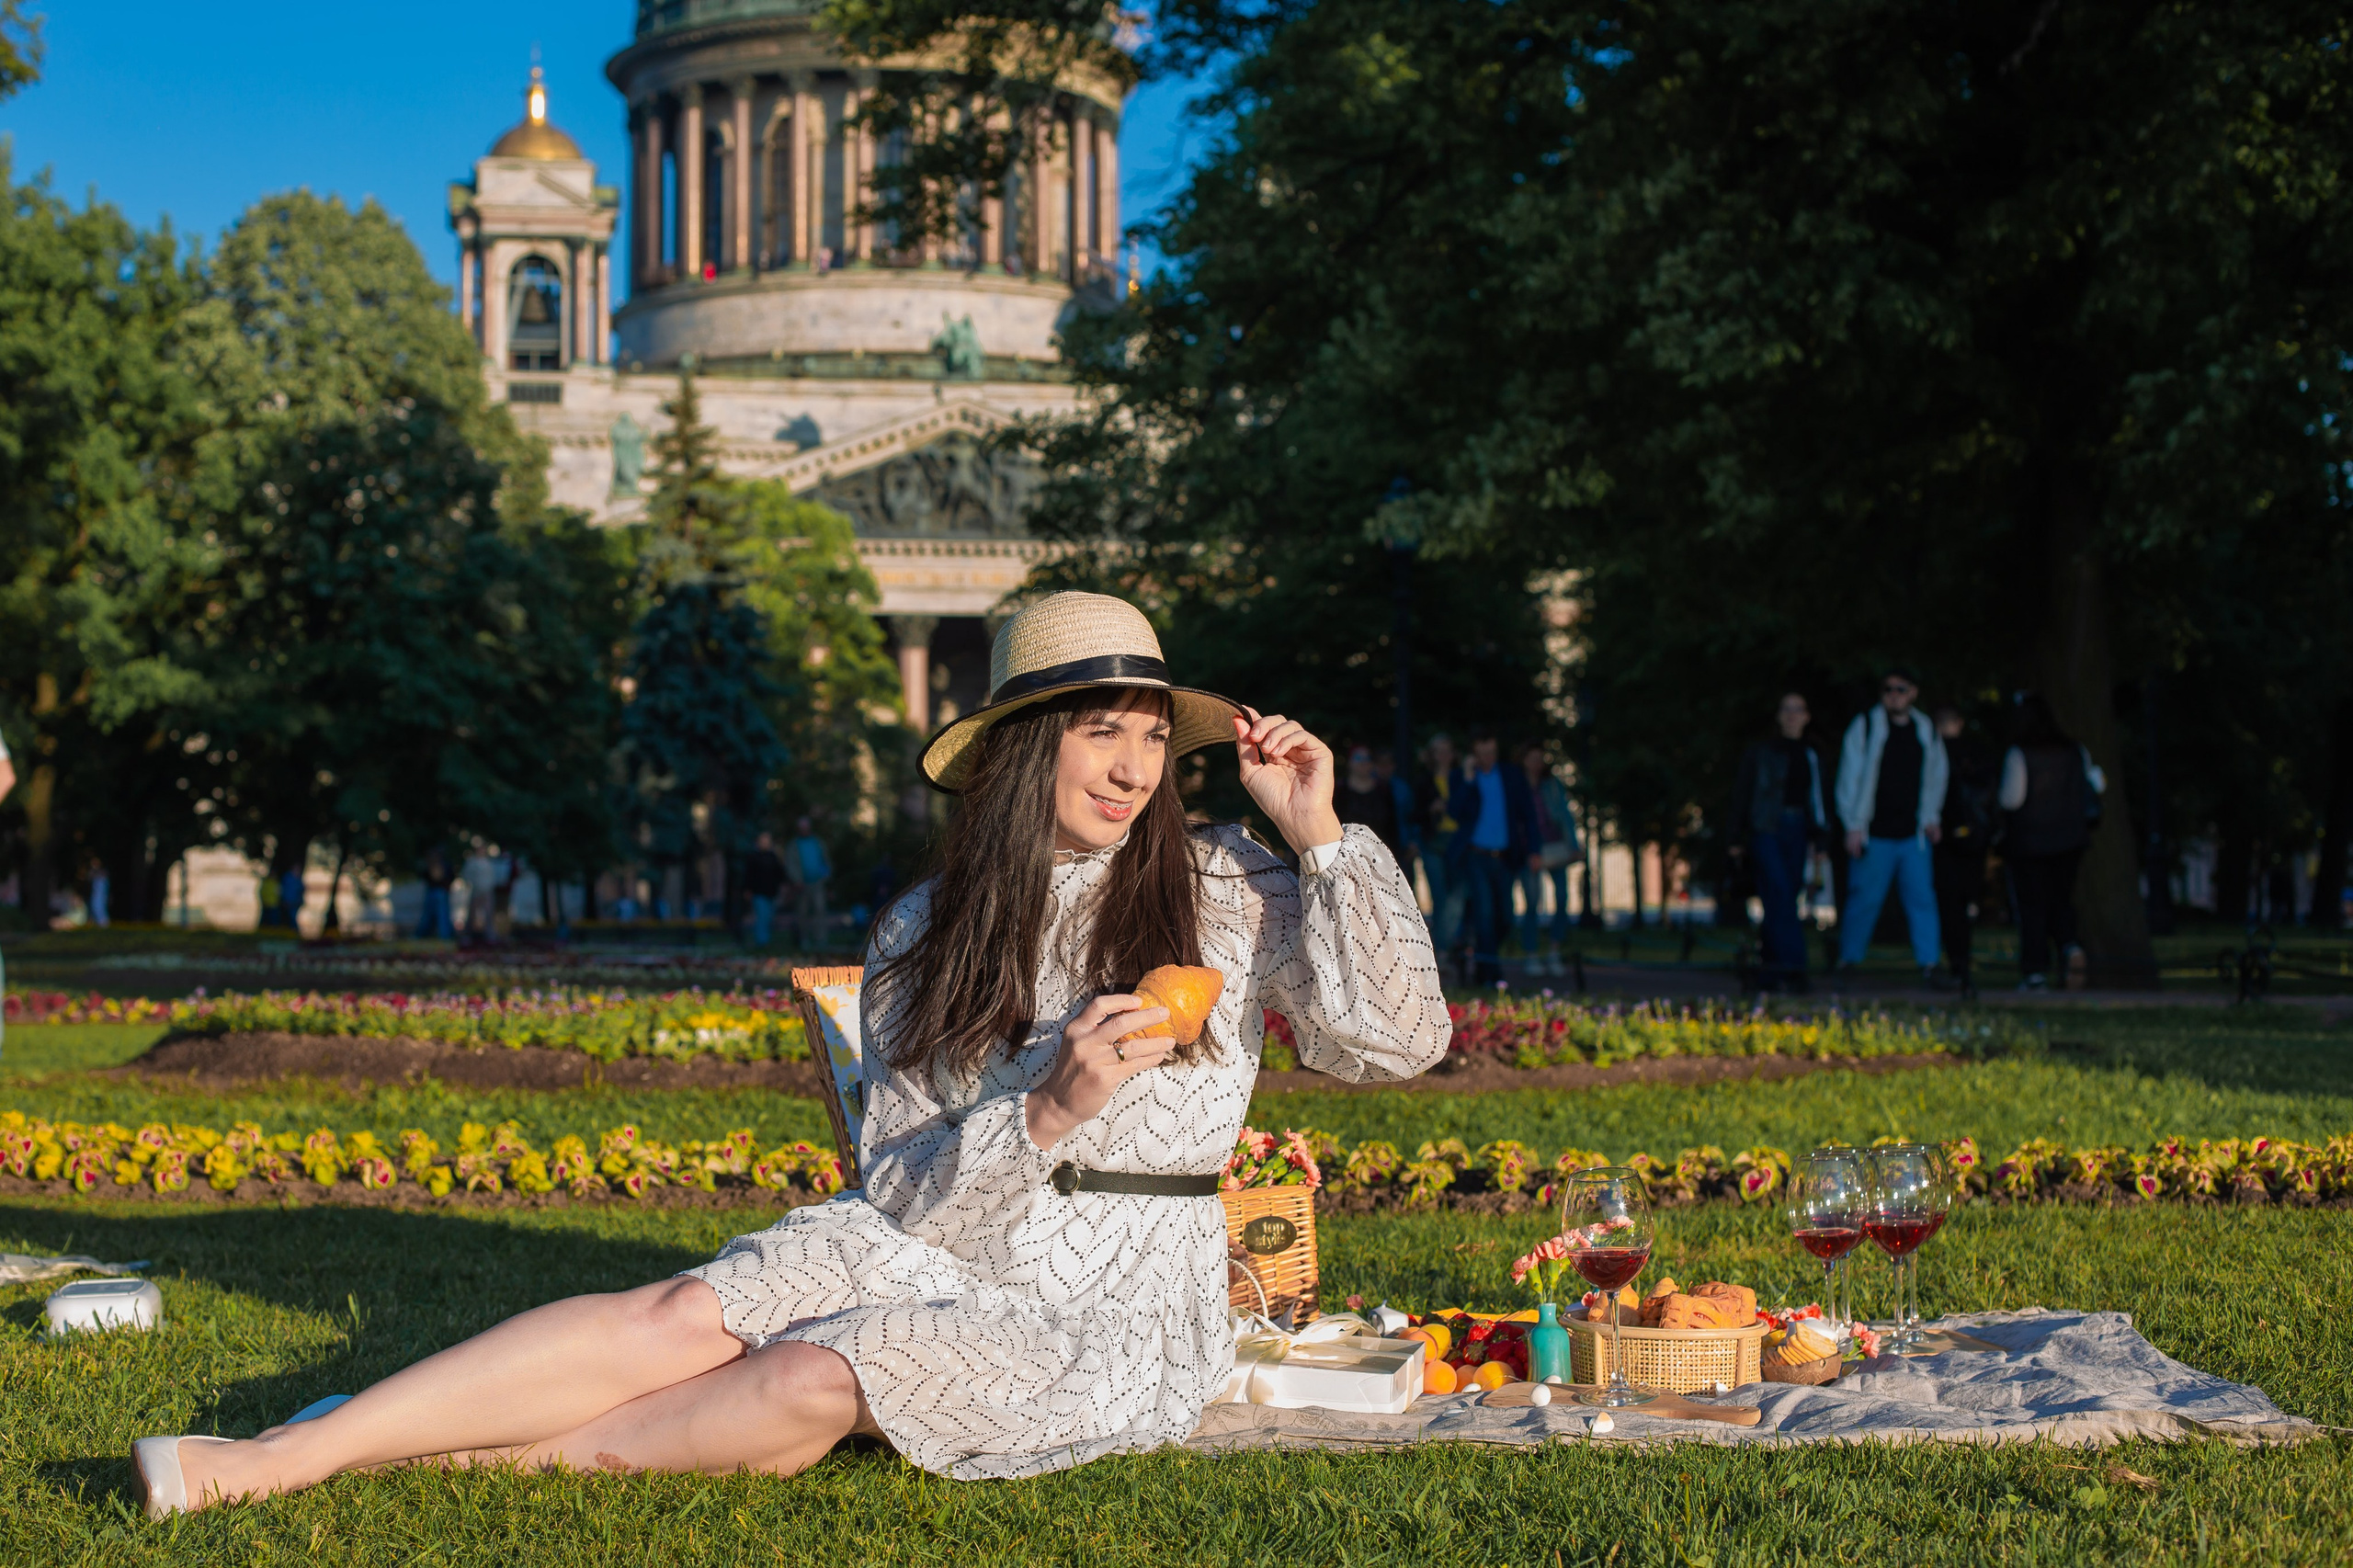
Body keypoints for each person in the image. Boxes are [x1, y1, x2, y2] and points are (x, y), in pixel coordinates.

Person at [131, 590, 1449, 1513]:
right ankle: (286, 1456)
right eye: (1100, 729)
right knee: (681, 1311)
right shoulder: (927, 926)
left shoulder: (1230, 888)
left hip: (1120, 1300)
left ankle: (456, 1460)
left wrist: (1320, 834)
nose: (1132, 766)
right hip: (937, 1234)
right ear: (1021, 747)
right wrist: (1044, 1112)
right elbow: (901, 1182)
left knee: (815, 1375)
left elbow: (1400, 1038)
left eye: (1155, 734)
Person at [1833, 667, 1949, 982]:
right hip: (1874, 834)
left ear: (1912, 693)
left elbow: (1937, 777)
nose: (1893, 695)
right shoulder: (1866, 726)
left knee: (1922, 898)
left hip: (1913, 836)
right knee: (1864, 899)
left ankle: (1929, 964)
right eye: (1888, 689)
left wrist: (1931, 818)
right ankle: (1848, 961)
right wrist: (1853, 825)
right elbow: (1849, 777)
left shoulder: (1926, 730)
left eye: (1900, 689)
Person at [2002, 692, 2107, 990]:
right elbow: (2095, 784)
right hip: (2070, 840)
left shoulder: (2020, 753)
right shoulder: (2075, 751)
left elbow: (2011, 799)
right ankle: (2070, 946)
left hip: (2030, 842)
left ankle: (2035, 971)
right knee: (2061, 901)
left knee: (2032, 907)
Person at [1729, 693, 1827, 992]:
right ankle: (1794, 968)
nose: (1792, 715)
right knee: (1781, 893)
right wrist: (1734, 837)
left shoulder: (1812, 754)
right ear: (1779, 715)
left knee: (1780, 898)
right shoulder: (1761, 753)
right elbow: (1742, 793)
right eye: (1787, 709)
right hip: (1767, 829)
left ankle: (1769, 972)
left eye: (1798, 709)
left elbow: (1819, 801)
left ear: (1807, 715)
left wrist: (1821, 838)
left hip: (1796, 829)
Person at [1458, 731, 1539, 986]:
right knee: (1484, 914)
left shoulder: (1511, 775)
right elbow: (1455, 811)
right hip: (1476, 857)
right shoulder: (1466, 779)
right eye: (1481, 754)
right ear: (1474, 755)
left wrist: (1534, 850)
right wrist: (1468, 779)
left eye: (1491, 753)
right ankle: (1492, 973)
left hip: (1504, 857)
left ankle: (1484, 965)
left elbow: (1529, 815)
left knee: (1506, 915)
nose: (1487, 759)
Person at [1932, 704, 2000, 997]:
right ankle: (1962, 964)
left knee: (1947, 905)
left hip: (1943, 838)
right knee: (1963, 904)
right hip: (1973, 839)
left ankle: (1954, 963)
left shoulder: (1934, 753)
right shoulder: (1979, 754)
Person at [1518, 744, 1581, 975]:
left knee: (1562, 899)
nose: (1536, 764)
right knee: (1532, 903)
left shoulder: (1552, 785)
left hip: (1555, 848)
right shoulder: (1519, 786)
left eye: (1539, 759)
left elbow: (1565, 815)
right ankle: (1531, 953)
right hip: (1530, 850)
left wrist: (1573, 845)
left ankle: (1554, 951)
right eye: (1531, 758)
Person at [1416, 733, 1469, 970]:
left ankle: (1444, 949)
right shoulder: (1424, 780)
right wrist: (1431, 809)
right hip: (1433, 842)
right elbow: (1415, 813)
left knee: (1457, 898)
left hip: (1458, 843)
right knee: (1439, 897)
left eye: (1447, 750)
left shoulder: (1462, 778)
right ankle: (1441, 952)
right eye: (1438, 750)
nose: (1443, 755)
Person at [1335, 744, 1403, 859]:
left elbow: (1392, 827)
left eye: (1367, 759)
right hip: (1345, 855)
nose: (1363, 763)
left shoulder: (1383, 790)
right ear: (1350, 762)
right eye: (1358, 758)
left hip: (1379, 855)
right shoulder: (1339, 790)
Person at [787, 817, 832, 951]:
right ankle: (804, 940)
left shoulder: (818, 843)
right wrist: (796, 880)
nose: (804, 829)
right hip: (801, 885)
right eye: (801, 827)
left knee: (820, 910)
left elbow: (825, 860)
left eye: (806, 827)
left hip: (818, 883)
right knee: (802, 913)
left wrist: (826, 876)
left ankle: (820, 939)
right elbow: (790, 864)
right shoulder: (793, 845)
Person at [743, 833, 788, 949]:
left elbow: (779, 874)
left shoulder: (773, 857)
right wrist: (748, 889)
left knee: (768, 917)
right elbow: (748, 875)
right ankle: (761, 941)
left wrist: (782, 887)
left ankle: (765, 940)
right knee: (761, 916)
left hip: (771, 892)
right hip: (758, 892)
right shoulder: (753, 857)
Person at [416, 846, 456, 939]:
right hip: (433, 892)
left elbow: (450, 878)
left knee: (441, 914)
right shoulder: (429, 866)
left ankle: (444, 935)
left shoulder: (445, 866)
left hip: (440, 892)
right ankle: (427, 934)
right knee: (430, 915)